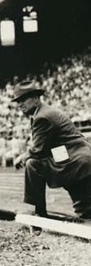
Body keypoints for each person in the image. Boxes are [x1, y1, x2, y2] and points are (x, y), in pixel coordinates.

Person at [13, 81, 91, 219]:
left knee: (32, 163)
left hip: (75, 160)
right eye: (18, 101)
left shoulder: (42, 116)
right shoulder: (43, 112)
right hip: (73, 158)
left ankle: (40, 212)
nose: (19, 104)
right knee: (85, 212)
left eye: (23, 99)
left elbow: (37, 150)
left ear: (36, 99)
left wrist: (22, 157)